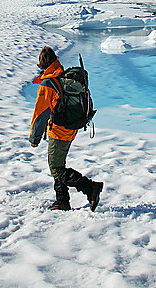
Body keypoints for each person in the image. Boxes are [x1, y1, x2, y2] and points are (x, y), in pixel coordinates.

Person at [29, 46, 103, 211]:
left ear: (41, 64)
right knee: (57, 164)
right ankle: (62, 201)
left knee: (56, 167)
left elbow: (40, 114)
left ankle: (90, 188)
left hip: (59, 130)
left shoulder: (48, 83)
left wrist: (34, 138)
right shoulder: (60, 75)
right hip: (70, 128)